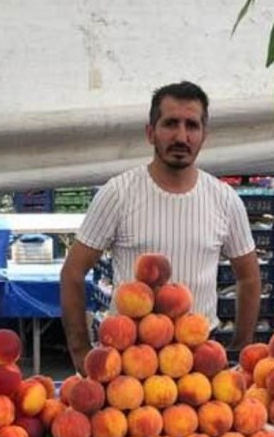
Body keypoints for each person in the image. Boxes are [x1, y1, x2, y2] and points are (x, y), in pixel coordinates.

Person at [60, 80, 262, 374]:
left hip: (200, 361)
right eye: (170, 124)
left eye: (192, 125)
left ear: (204, 135)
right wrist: (80, 352)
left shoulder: (224, 200)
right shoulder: (118, 193)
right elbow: (72, 273)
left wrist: (240, 347)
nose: (181, 136)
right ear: (150, 132)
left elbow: (250, 277)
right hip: (130, 362)